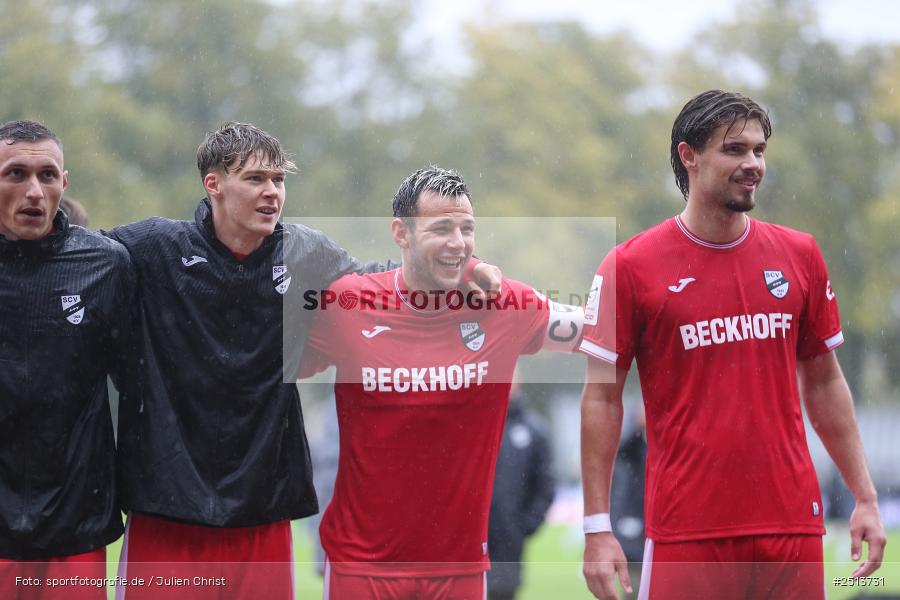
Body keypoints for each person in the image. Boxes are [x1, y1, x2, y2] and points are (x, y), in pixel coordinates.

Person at [105, 123, 499, 600]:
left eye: (278, 180)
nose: (272, 192)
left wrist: (462, 266)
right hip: (165, 506)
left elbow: (381, 282)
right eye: (255, 179)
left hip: (262, 508)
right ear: (214, 184)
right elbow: (76, 259)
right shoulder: (155, 247)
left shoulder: (303, 251)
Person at [578, 90, 886, 600]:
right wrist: (596, 525)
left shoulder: (799, 253)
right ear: (688, 156)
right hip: (687, 531)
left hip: (792, 526)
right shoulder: (630, 267)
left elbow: (825, 381)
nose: (753, 164)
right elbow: (602, 399)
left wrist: (865, 496)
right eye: (735, 149)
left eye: (759, 151)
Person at [299, 166, 584, 599]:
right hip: (361, 567)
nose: (458, 242)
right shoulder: (347, 304)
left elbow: (602, 331)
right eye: (441, 228)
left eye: (467, 228)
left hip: (461, 569)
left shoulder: (501, 303)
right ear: (401, 233)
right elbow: (263, 357)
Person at [0, 120, 134, 599]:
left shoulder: (106, 265)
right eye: (16, 173)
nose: (34, 190)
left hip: (77, 518)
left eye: (47, 175)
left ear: (64, 183)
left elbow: (137, 383)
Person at [486, 381, 556, 600]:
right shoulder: (475, 424)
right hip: (471, 537)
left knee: (502, 592)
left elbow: (545, 485)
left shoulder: (534, 430)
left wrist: (525, 525)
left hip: (509, 538)